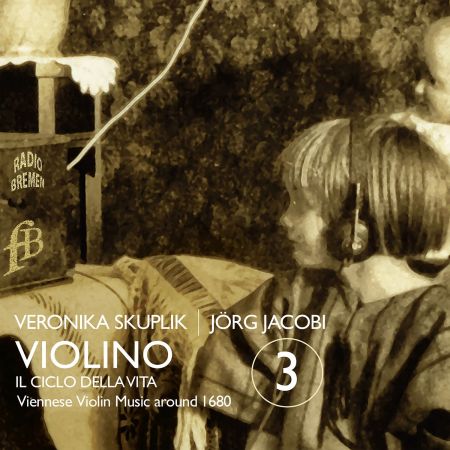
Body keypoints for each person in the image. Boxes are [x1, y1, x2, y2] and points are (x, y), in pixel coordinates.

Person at [190, 115, 450, 450]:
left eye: (300, 205)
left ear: (354, 226)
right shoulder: (289, 299)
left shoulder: (438, 332)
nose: (285, 219)